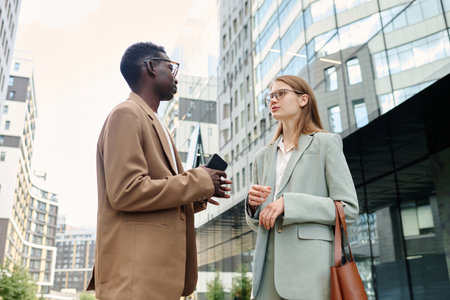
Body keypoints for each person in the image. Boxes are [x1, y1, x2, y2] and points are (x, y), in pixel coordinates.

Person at [87, 42, 231, 300]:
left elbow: (152, 193)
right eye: (171, 67)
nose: (176, 76)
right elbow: (126, 191)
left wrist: (195, 195)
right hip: (135, 283)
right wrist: (197, 180)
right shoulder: (127, 113)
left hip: (153, 281)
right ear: (151, 67)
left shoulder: (152, 121)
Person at [245, 75, 359, 300]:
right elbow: (258, 223)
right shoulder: (262, 157)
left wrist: (290, 204)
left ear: (303, 99)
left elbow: (348, 208)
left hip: (312, 274)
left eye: (281, 94)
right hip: (268, 272)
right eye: (270, 96)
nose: (273, 100)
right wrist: (252, 207)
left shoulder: (326, 143)